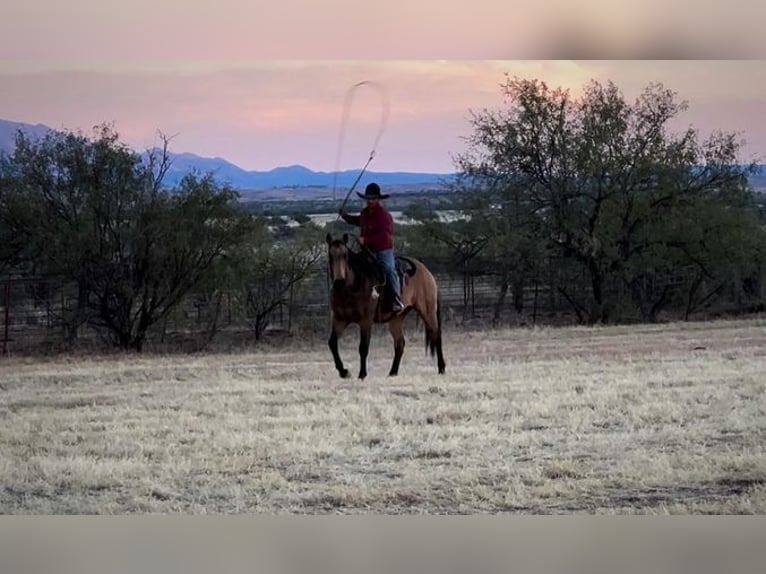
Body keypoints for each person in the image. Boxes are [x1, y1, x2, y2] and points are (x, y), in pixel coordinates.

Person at [339, 182, 404, 312]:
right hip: (367, 251)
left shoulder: (384, 216)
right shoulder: (364, 213)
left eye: (373, 198)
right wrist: (345, 216)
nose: (370, 201)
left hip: (383, 250)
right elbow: (358, 221)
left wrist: (366, 239)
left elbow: (386, 236)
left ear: (378, 199)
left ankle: (397, 300)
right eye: (368, 198)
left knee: (389, 269)